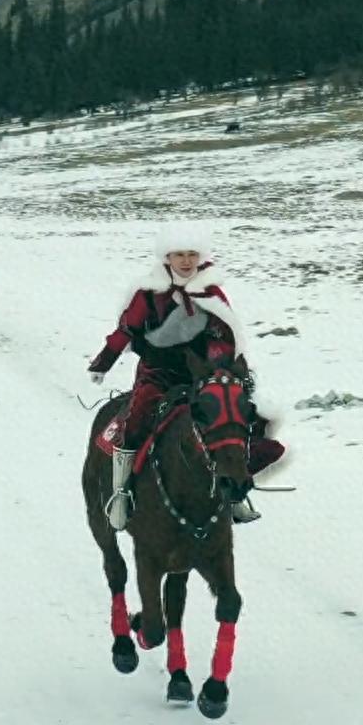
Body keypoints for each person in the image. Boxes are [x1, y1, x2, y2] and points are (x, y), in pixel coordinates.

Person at [88, 222, 264, 529]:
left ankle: (235, 494)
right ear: (166, 257)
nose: (185, 261)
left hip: (202, 375)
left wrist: (215, 362)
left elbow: (224, 332)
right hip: (157, 373)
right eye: (178, 254)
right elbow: (127, 329)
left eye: (191, 254)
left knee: (232, 417)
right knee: (137, 418)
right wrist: (104, 362)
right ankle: (122, 493)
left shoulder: (211, 292)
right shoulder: (148, 293)